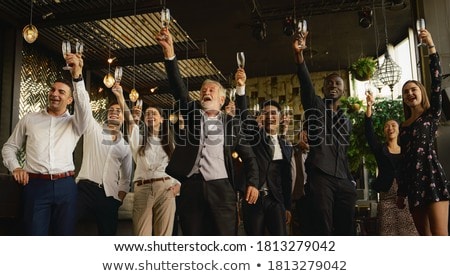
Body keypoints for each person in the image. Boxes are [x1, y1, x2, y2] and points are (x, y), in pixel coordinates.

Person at [156, 27, 259, 236]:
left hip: (222, 190)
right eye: (204, 90)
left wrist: (253, 183)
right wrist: (169, 54)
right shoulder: (192, 112)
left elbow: (249, 157)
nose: (206, 91)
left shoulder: (232, 124)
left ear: (222, 100)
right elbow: (178, 89)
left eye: (212, 90)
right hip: (191, 189)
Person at [1, 52, 90, 235]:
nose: (55, 94)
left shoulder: (76, 122)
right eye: (52, 90)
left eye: (61, 92)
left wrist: (77, 77)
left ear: (70, 100)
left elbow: (85, 107)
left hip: (66, 185)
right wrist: (16, 167)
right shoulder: (30, 119)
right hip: (35, 186)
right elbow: (9, 147)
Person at [293, 31, 357, 235]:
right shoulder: (315, 105)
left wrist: (350, 180)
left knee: (347, 228)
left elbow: (345, 150)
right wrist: (299, 55)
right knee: (323, 226)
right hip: (321, 175)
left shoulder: (346, 120)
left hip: (344, 179)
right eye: (329, 83)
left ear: (343, 91)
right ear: (323, 88)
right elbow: (305, 83)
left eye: (338, 83)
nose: (333, 85)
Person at [396, 29, 449, 236]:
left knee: (440, 238)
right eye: (406, 92)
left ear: (421, 93)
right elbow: (402, 160)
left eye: (413, 90)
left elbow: (437, 82)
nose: (409, 93)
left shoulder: (431, 114)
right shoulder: (403, 127)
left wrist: (431, 47)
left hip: (432, 177)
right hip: (413, 184)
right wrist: (401, 192)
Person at [114, 84, 181, 236]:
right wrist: (120, 97)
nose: (150, 116)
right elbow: (130, 122)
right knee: (141, 235)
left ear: (162, 119)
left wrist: (177, 188)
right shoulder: (139, 140)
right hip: (143, 189)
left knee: (163, 236)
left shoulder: (171, 144)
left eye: (154, 114)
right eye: (148, 114)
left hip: (166, 189)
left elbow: (179, 168)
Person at [75, 88, 132, 236]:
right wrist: (78, 78)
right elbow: (84, 105)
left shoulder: (125, 147)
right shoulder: (93, 129)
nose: (114, 112)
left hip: (109, 197)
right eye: (111, 110)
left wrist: (117, 200)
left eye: (118, 110)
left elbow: (126, 179)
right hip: (84, 190)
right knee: (66, 226)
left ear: (123, 117)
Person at [365, 93, 417, 235]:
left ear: (399, 130)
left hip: (406, 198)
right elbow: (369, 134)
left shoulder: (407, 149)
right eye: (386, 126)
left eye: (393, 125)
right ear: (384, 132)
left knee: (410, 234)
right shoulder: (380, 149)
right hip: (386, 199)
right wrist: (369, 106)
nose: (390, 128)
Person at [290, 129, 310, 235]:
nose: (304, 137)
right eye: (302, 136)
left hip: (312, 195)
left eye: (306, 135)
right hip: (298, 195)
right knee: (298, 227)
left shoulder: (315, 153)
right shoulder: (293, 151)